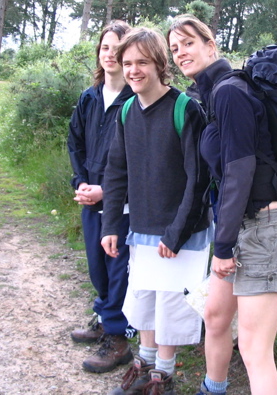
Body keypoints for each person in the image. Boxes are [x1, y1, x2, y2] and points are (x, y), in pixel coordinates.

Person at [167, 15, 277, 395]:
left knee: (256, 350)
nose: (180, 53)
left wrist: (222, 245)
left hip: (266, 227)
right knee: (214, 314)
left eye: (188, 43)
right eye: (174, 48)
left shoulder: (229, 92)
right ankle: (213, 389)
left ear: (211, 46)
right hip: (243, 226)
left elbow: (239, 173)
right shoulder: (213, 94)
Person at [101, 27, 211, 395]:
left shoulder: (185, 109)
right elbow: (116, 171)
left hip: (183, 232)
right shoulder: (127, 110)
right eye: (127, 62)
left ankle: (162, 377)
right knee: (144, 297)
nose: (133, 70)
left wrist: (177, 233)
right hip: (142, 227)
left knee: (172, 305)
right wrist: (111, 225)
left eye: (142, 62)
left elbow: (199, 181)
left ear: (159, 64)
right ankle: (143, 366)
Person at [67, 21, 136, 374]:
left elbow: (143, 162)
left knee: (117, 267)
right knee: (97, 264)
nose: (110, 54)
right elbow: (75, 142)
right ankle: (103, 316)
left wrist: (106, 191)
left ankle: (118, 340)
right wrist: (81, 183)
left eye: (118, 49)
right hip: (89, 198)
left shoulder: (136, 101)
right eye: (105, 47)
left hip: (121, 204)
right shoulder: (90, 97)